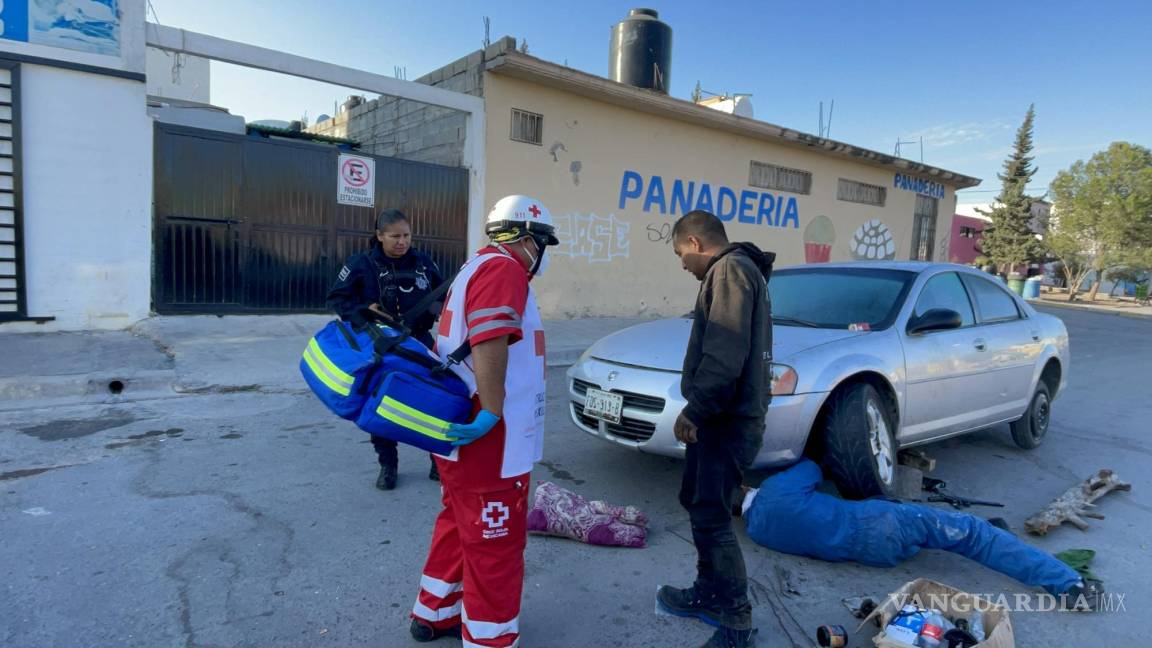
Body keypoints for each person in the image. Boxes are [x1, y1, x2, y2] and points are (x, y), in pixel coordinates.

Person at [408, 195, 557, 647]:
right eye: (544, 243)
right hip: (491, 438)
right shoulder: (506, 270)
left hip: (463, 433)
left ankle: (434, 612)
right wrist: (492, 411)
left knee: (458, 523)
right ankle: (490, 638)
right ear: (529, 240)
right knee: (496, 542)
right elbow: (490, 339)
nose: (543, 254)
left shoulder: (476, 265)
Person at [738, 458, 1102, 609]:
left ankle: (987, 537)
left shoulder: (756, 533)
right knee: (974, 535)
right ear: (741, 485)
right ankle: (1068, 586)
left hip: (877, 556)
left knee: (942, 533)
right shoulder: (774, 490)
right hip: (884, 525)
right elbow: (812, 466)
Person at [657, 210, 775, 648]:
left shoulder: (729, 271)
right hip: (724, 418)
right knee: (700, 503)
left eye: (680, 255)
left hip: (726, 420)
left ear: (694, 242)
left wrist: (696, 410)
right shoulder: (738, 271)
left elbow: (726, 353)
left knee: (713, 515)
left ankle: (736, 621)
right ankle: (707, 594)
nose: (682, 265)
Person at [325, 208, 445, 490]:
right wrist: (363, 310)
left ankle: (438, 462)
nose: (402, 241)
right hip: (381, 347)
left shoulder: (424, 263)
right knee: (381, 407)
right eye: (394, 236)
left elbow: (444, 296)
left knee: (432, 402)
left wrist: (443, 312)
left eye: (406, 235)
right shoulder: (361, 264)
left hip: (419, 342)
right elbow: (337, 298)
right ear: (379, 236)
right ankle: (388, 465)